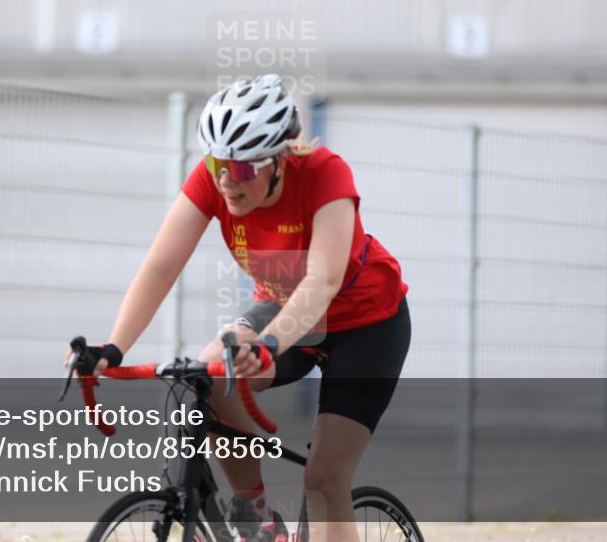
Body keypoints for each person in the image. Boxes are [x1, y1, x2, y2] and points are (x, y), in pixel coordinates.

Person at [77, 74, 411, 542]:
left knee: (324, 479)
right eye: (217, 163)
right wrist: (113, 348)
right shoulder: (215, 181)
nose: (226, 181)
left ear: (280, 160)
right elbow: (160, 266)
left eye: (242, 169)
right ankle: (256, 520)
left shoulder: (325, 174)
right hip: (282, 309)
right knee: (210, 372)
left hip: (366, 324)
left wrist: (269, 344)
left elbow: (322, 281)